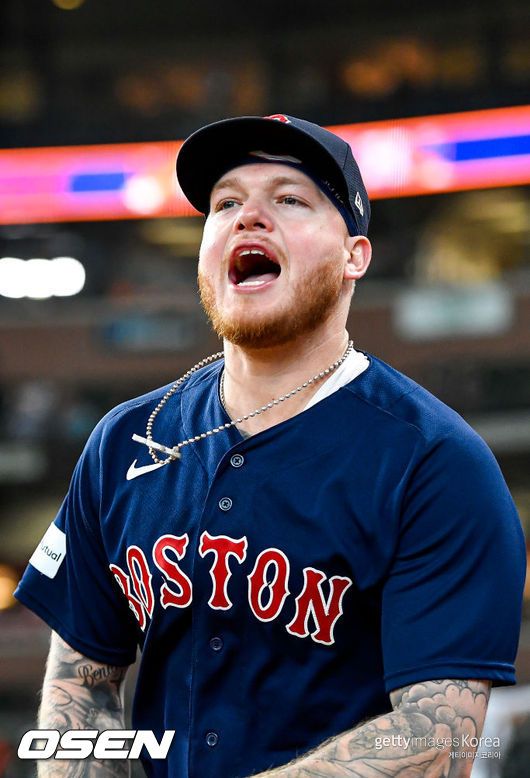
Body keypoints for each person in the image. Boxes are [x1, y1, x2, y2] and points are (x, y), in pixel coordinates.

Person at [15, 114, 526, 778]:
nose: (247, 217)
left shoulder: (435, 462)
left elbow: (437, 739)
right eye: (226, 203)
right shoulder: (124, 442)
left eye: (289, 199)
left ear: (354, 256)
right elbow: (78, 687)